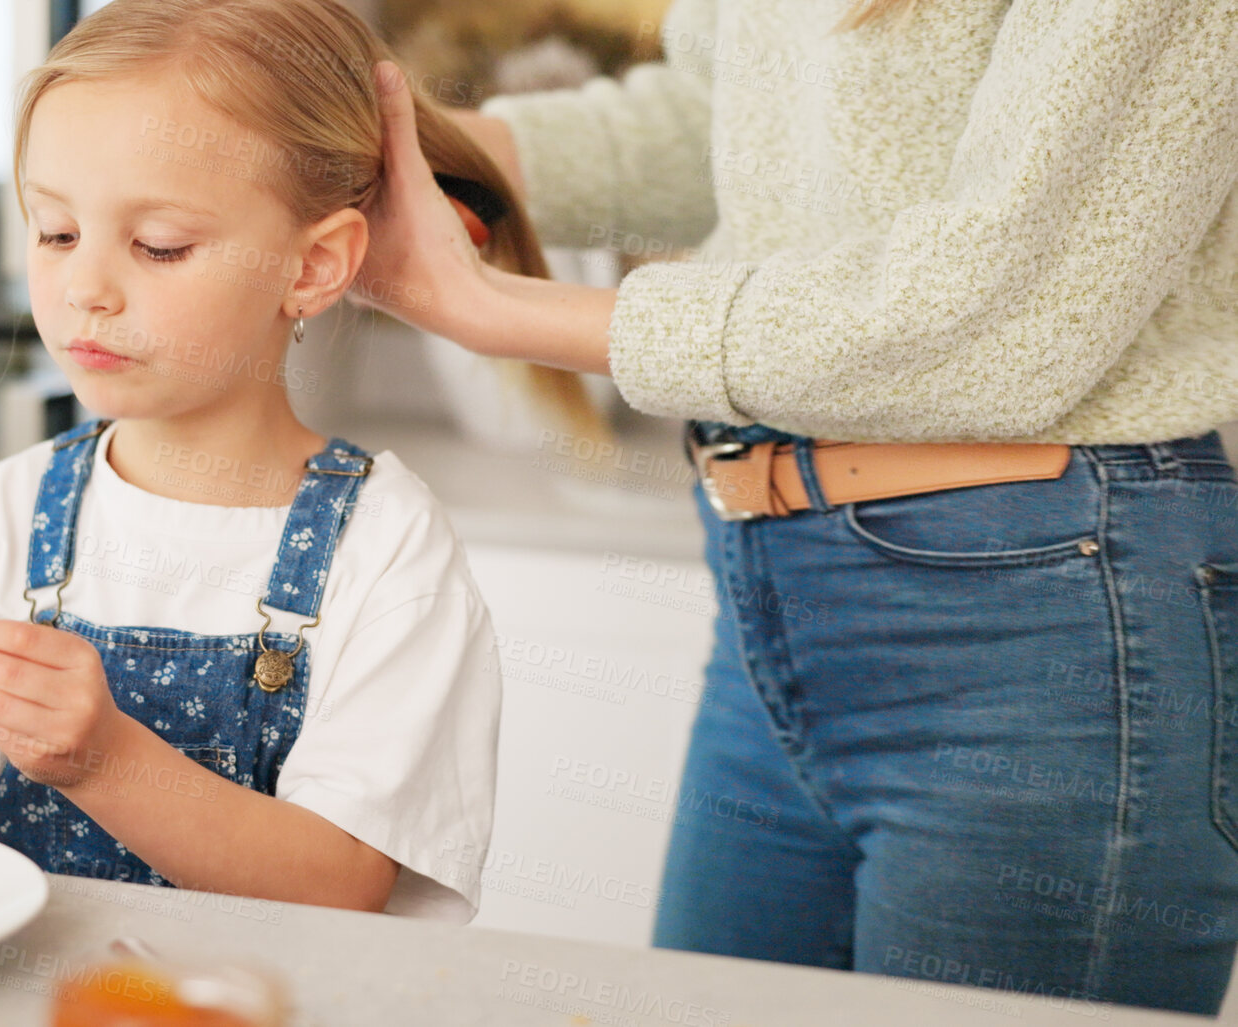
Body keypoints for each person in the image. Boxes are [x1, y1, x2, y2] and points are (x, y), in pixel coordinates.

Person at [352, 0, 1238, 1012]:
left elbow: (1005, 314)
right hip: (776, 591)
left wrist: (493, 309)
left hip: (1041, 612)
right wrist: (410, 148)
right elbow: (736, 127)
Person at [0, 0, 542, 923]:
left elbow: (341, 886)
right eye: (56, 232)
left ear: (313, 266)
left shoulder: (385, 546)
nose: (85, 287)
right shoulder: (1, 514)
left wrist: (106, 760)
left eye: (158, 245)